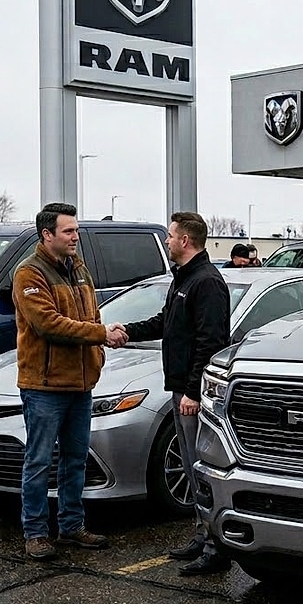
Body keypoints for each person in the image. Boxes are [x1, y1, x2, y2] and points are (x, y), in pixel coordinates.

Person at [114, 212, 233, 576]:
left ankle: (217, 549)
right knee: (192, 467)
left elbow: (210, 343)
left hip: (190, 395)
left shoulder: (206, 283)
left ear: (185, 241)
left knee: (204, 469)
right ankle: (202, 535)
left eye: (170, 236)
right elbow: (164, 324)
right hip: (178, 389)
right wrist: (124, 331)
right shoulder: (183, 280)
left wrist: (193, 391)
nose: (166, 241)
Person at [13, 202, 127, 561]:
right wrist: (100, 335)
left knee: (75, 459)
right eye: (68, 231)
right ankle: (35, 532)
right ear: (47, 235)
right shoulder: (29, 274)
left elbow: (92, 312)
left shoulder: (78, 268)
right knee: (39, 461)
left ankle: (71, 526)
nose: (76, 236)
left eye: (75, 230)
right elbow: (48, 324)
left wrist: (98, 349)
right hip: (45, 386)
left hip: (80, 384)